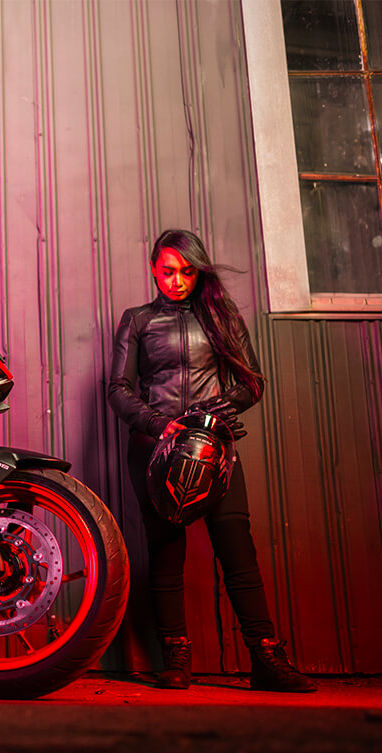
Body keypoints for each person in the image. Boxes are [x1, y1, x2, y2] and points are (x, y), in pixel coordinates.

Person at [107, 229, 315, 692]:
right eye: (167, 272)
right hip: (155, 448)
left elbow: (252, 383)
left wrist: (215, 412)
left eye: (186, 272)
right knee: (166, 552)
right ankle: (175, 657)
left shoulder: (222, 318)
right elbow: (117, 390)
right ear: (153, 270)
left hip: (212, 448)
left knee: (236, 549)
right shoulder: (137, 320)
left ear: (198, 271)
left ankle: (266, 658)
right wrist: (161, 424)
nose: (177, 281)